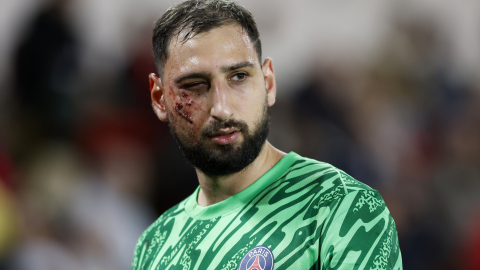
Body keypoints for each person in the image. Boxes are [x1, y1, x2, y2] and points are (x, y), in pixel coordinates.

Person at [132, 0, 403, 269]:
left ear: (268, 83)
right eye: (194, 85)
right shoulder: (154, 245)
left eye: (239, 77)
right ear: (159, 98)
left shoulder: (344, 209)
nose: (222, 109)